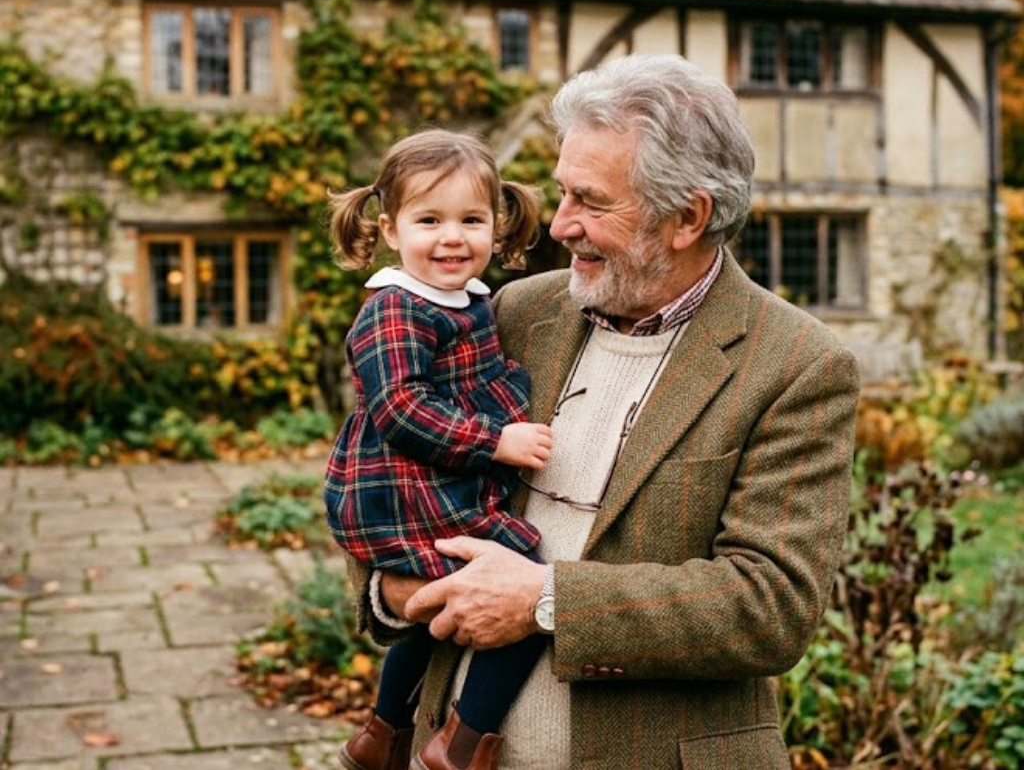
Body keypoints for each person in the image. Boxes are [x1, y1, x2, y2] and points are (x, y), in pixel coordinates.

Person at [346, 54, 861, 770]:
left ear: (687, 217)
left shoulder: (795, 364)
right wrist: (389, 585)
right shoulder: (516, 313)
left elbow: (769, 605)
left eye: (589, 201)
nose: (559, 226)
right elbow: (397, 464)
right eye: (561, 193)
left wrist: (544, 600)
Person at [322, 129, 555, 770]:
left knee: (441, 606)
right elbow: (399, 408)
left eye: (471, 219)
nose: (453, 237)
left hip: (433, 481)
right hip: (403, 486)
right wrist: (495, 441)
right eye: (430, 220)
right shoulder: (394, 309)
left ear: (498, 224)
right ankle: (461, 743)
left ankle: (380, 734)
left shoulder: (468, 301)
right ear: (392, 230)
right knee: (527, 586)